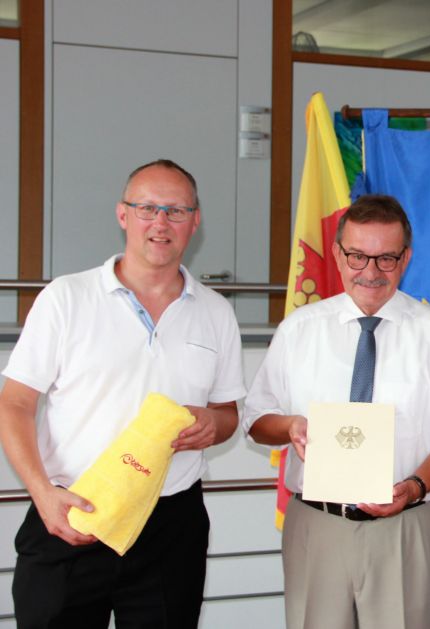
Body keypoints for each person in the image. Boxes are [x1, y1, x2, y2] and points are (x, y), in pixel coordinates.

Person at [0, 159, 246, 628]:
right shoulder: (66, 297)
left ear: (195, 222)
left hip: (171, 526)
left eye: (176, 211)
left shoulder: (216, 313)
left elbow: (228, 413)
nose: (160, 222)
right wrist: (43, 495)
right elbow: (14, 404)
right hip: (72, 513)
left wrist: (215, 424)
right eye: (147, 208)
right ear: (122, 214)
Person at [241, 194, 430, 629]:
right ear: (336, 253)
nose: (370, 272)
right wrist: (290, 426)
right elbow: (256, 420)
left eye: (386, 258)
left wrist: (412, 487)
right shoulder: (300, 329)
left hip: (405, 525)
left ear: (406, 258)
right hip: (317, 524)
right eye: (357, 256)